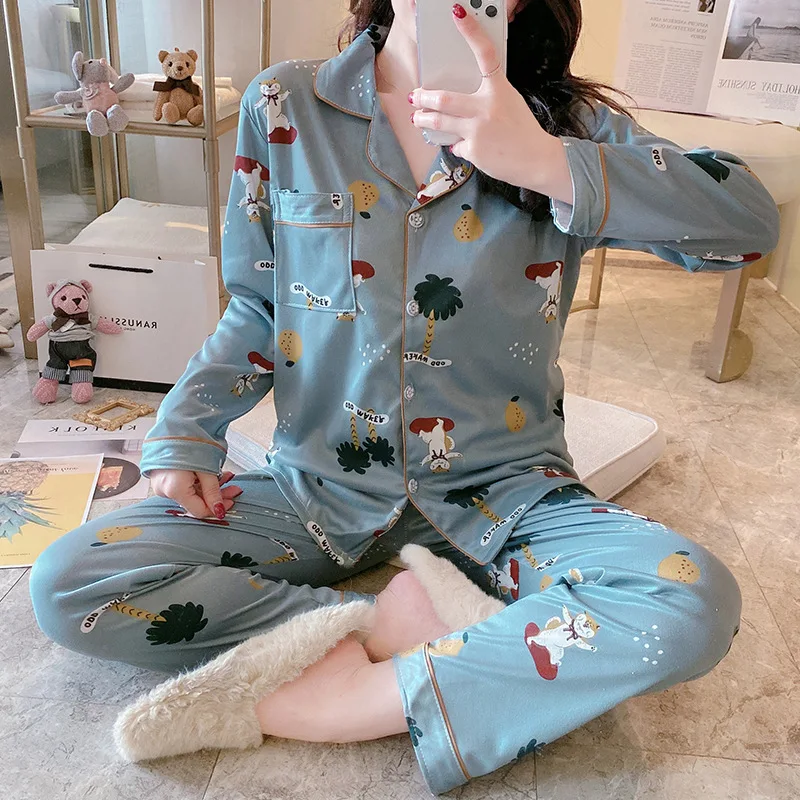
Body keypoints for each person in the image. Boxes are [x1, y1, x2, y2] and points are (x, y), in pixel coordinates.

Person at [29, 0, 779, 794]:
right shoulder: (285, 103)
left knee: (690, 603)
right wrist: (185, 430)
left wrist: (544, 161)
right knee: (71, 580)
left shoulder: (568, 124)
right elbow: (257, 304)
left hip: (508, 494)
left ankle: (355, 698)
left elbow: (748, 224)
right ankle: (395, 629)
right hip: (318, 487)